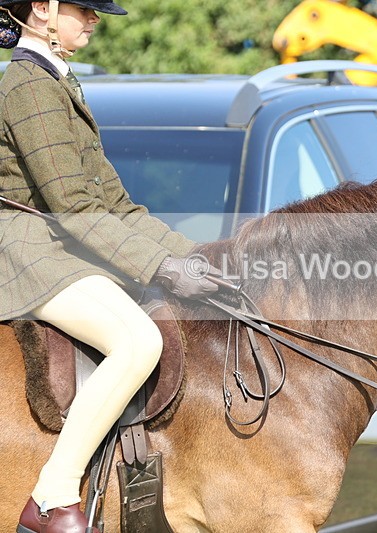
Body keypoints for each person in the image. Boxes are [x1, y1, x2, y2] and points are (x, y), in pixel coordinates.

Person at [0, 2, 220, 531]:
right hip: (26, 253)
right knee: (137, 341)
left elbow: (117, 207)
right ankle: (52, 497)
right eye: (84, 8)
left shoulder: (59, 80)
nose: (95, 19)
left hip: (61, 248)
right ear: (40, 8)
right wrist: (159, 267)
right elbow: (72, 206)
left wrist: (193, 257)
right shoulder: (28, 86)